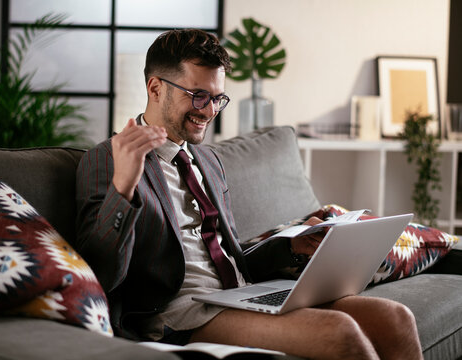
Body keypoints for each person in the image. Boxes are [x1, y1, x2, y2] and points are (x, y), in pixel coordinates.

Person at [75, 29, 423, 360]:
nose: (209, 111)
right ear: (155, 88)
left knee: (395, 318)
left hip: (239, 295)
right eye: (198, 96)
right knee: (340, 332)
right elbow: (98, 273)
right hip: (178, 315)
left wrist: (291, 245)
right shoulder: (108, 158)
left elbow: (228, 257)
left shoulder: (208, 161)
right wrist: (124, 187)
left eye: (217, 98)